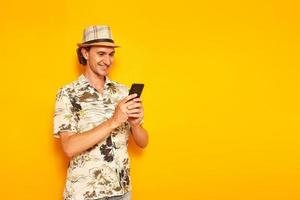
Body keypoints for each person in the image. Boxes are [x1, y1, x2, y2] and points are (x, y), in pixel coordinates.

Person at [53, 25, 149, 200]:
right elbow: (69, 147)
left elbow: (143, 143)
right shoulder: (67, 93)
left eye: (111, 54)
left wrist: (135, 125)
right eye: (101, 53)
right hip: (85, 194)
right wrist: (114, 121)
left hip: (122, 191)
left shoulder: (122, 92)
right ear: (85, 53)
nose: (108, 60)